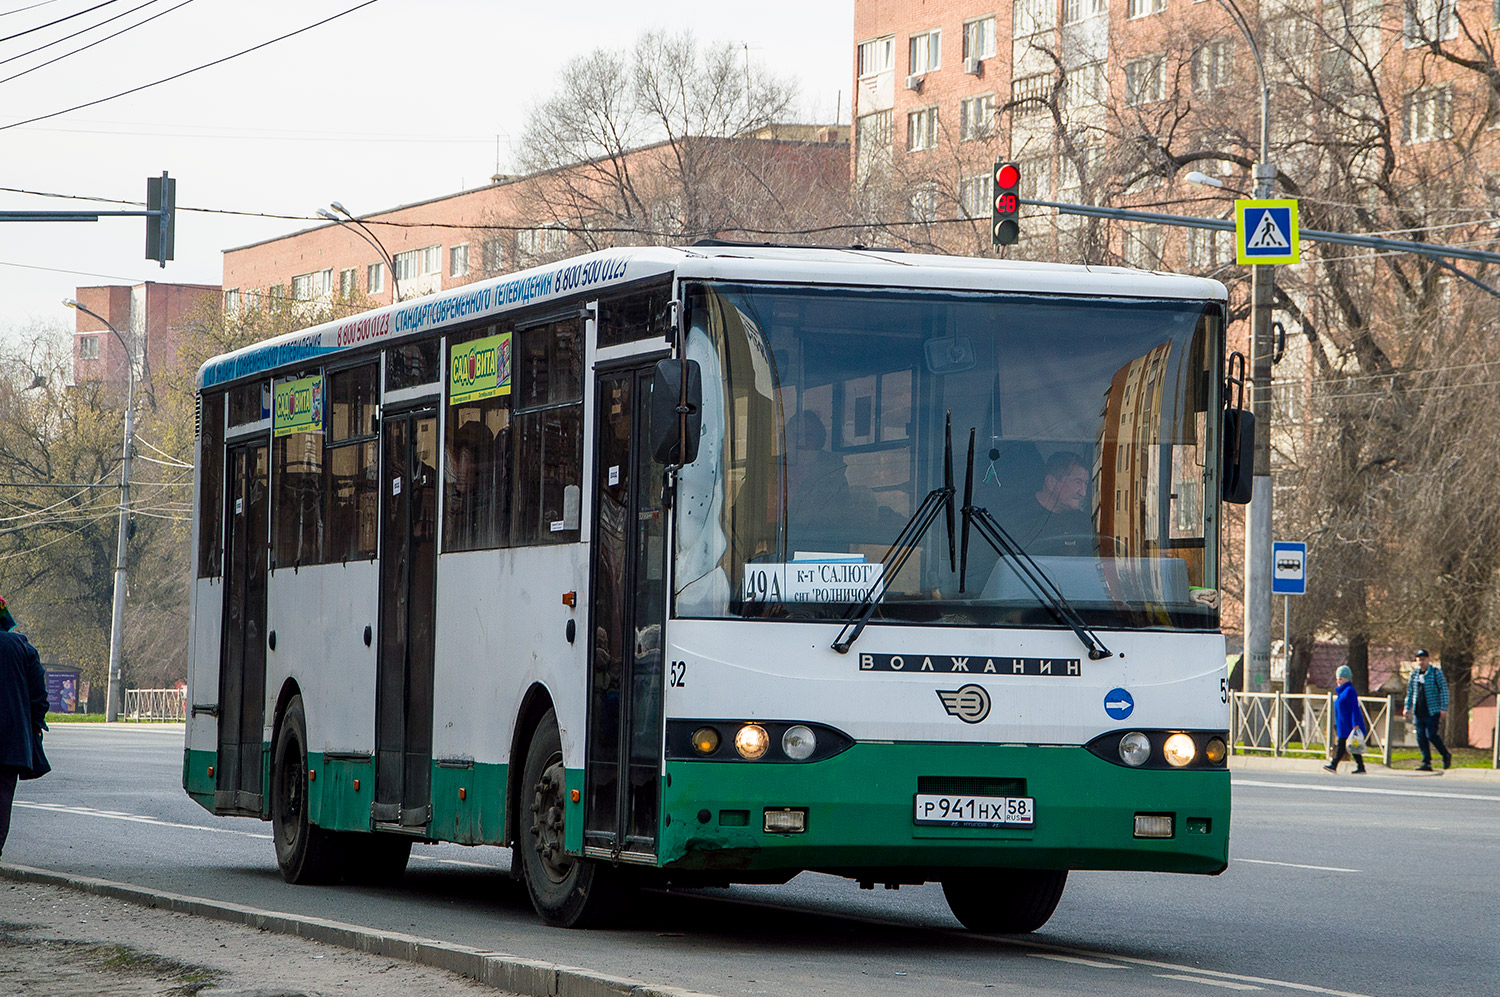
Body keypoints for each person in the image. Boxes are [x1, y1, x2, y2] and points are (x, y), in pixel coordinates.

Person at [0, 595, 49, 856]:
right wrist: (35, 723)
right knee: (1, 802)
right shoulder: (20, 646)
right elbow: (38, 694)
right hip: (9, 743)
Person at [1009, 451, 1093, 554]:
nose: (1083, 492)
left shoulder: (1084, 523)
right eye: (1077, 482)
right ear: (1051, 482)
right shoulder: (1017, 518)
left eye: (1086, 483)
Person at [1402, 649, 1452, 771]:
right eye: (1419, 660)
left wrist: (1443, 708)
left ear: (1428, 660)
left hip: (1432, 710)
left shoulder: (1436, 673)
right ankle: (1426, 762)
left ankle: (1445, 755)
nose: (1421, 662)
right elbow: (1410, 692)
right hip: (1419, 710)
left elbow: (1444, 691)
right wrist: (1407, 707)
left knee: (1431, 735)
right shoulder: (1414, 675)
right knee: (1420, 737)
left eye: (1423, 659)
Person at [1324, 665, 1368, 774]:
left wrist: (1355, 723)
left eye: (1341, 678)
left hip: (1349, 724)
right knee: (1352, 746)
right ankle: (1361, 767)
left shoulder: (1349, 691)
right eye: (1337, 678)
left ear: (1347, 679)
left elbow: (1354, 708)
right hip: (1342, 723)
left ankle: (1334, 765)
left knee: (1343, 745)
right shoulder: (1341, 692)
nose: (1338, 681)